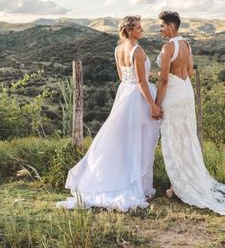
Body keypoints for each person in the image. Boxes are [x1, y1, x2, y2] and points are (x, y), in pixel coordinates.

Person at [156, 10, 225, 216]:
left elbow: (164, 79)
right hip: (186, 93)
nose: (159, 29)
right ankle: (183, 181)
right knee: (186, 138)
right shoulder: (186, 44)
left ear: (171, 27)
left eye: (161, 26)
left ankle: (177, 186)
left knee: (174, 139)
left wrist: (157, 103)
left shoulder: (168, 47)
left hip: (174, 95)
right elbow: (190, 71)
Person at [56, 15, 162, 211]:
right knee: (138, 141)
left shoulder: (117, 49)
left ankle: (120, 178)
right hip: (137, 98)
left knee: (121, 140)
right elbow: (140, 82)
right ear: (130, 30)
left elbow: (123, 77)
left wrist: (146, 76)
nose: (142, 31)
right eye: (139, 28)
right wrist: (152, 105)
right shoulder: (137, 50)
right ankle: (131, 183)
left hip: (124, 94)